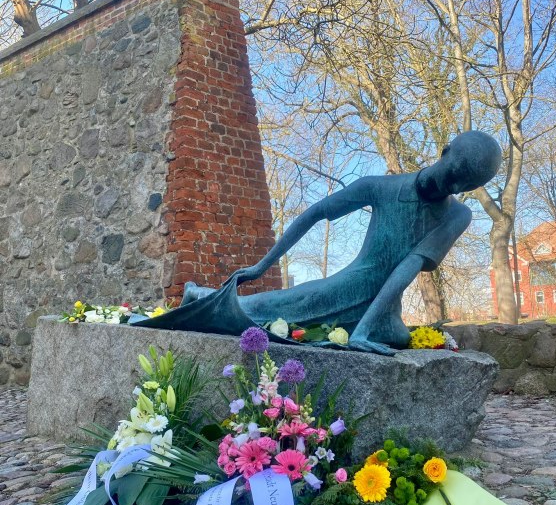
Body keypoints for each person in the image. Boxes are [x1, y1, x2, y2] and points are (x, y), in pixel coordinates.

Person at [133, 131, 501, 354]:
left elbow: (407, 267)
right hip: (350, 285)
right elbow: (315, 213)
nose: (447, 190)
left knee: (398, 338)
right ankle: (201, 296)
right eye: (449, 177)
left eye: (459, 188)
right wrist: (264, 265)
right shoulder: (381, 187)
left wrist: (363, 330)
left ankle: (204, 297)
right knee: (277, 307)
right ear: (445, 151)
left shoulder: (458, 215)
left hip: (383, 306)